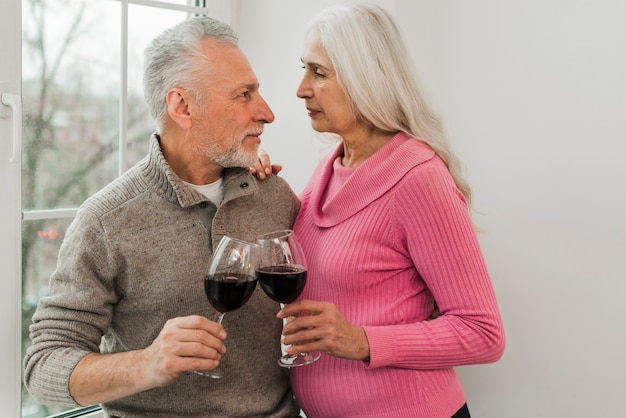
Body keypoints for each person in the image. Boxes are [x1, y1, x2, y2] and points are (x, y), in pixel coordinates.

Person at [23, 16, 301, 418]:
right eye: (244, 95)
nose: (267, 112)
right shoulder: (106, 220)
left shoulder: (274, 194)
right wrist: (148, 363)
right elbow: (43, 367)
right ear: (182, 107)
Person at [278, 3, 506, 418]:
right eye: (304, 69)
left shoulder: (418, 177)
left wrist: (362, 341)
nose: (301, 88)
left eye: (319, 72)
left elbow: (483, 333)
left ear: (366, 78)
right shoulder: (331, 165)